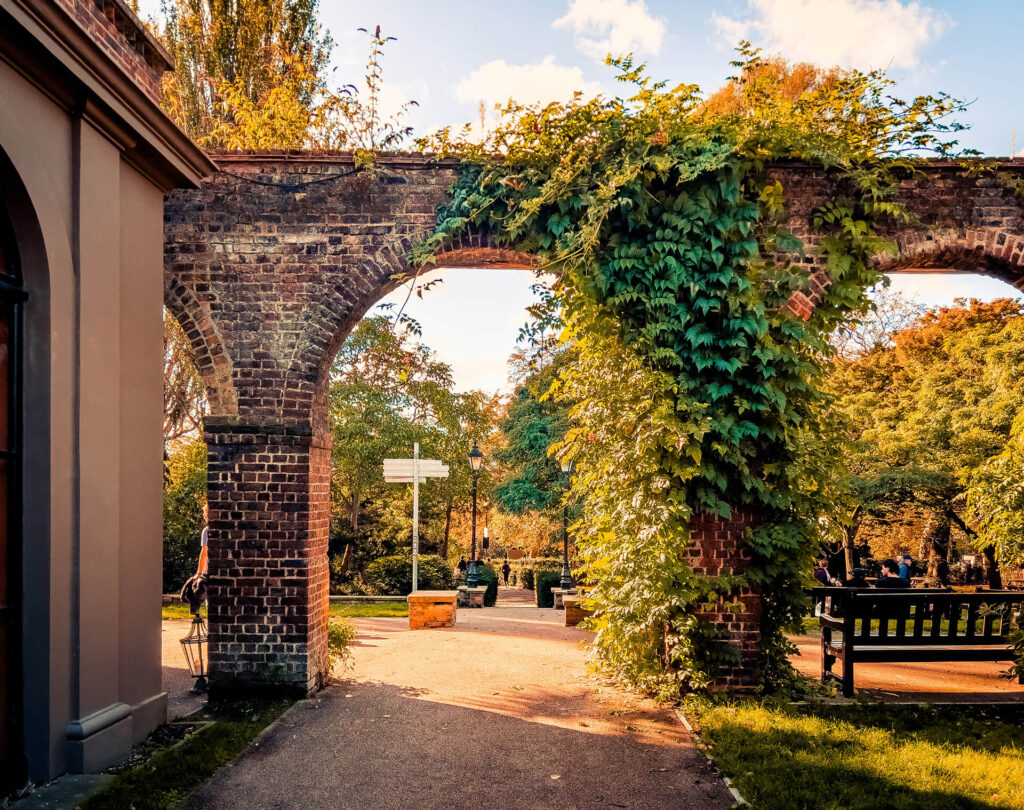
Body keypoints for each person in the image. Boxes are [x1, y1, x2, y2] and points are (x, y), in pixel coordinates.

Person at [196, 502, 209, 576]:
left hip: (208, 572)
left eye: (205, 513)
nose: (203, 515)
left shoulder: (207, 530)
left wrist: (199, 573)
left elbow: (204, 553)